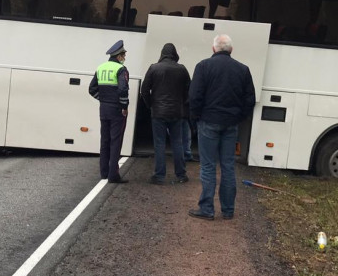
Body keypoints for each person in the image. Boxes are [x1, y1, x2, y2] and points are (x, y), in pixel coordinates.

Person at [188, 35, 255, 221]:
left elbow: (194, 96)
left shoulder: (203, 67)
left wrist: (195, 119)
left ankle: (207, 209)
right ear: (231, 50)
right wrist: (238, 118)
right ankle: (228, 210)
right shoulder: (243, 70)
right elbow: (249, 100)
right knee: (228, 166)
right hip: (231, 124)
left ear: (213, 49)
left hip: (208, 121)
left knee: (208, 166)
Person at [140, 43, 190, 185]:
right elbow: (190, 89)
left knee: (159, 144)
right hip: (176, 112)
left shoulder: (154, 67)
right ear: (175, 54)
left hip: (158, 112)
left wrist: (151, 105)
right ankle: (181, 175)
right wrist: (182, 103)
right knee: (177, 143)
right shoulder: (182, 69)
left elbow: (144, 90)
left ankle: (159, 176)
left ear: (162, 53)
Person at [89, 40, 130, 183]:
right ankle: (113, 175)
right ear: (119, 56)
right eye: (124, 55)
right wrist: (124, 107)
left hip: (104, 109)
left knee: (104, 141)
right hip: (117, 110)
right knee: (115, 142)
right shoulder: (121, 69)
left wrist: (103, 99)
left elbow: (91, 89)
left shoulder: (101, 68)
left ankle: (104, 173)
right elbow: (123, 89)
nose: (124, 57)